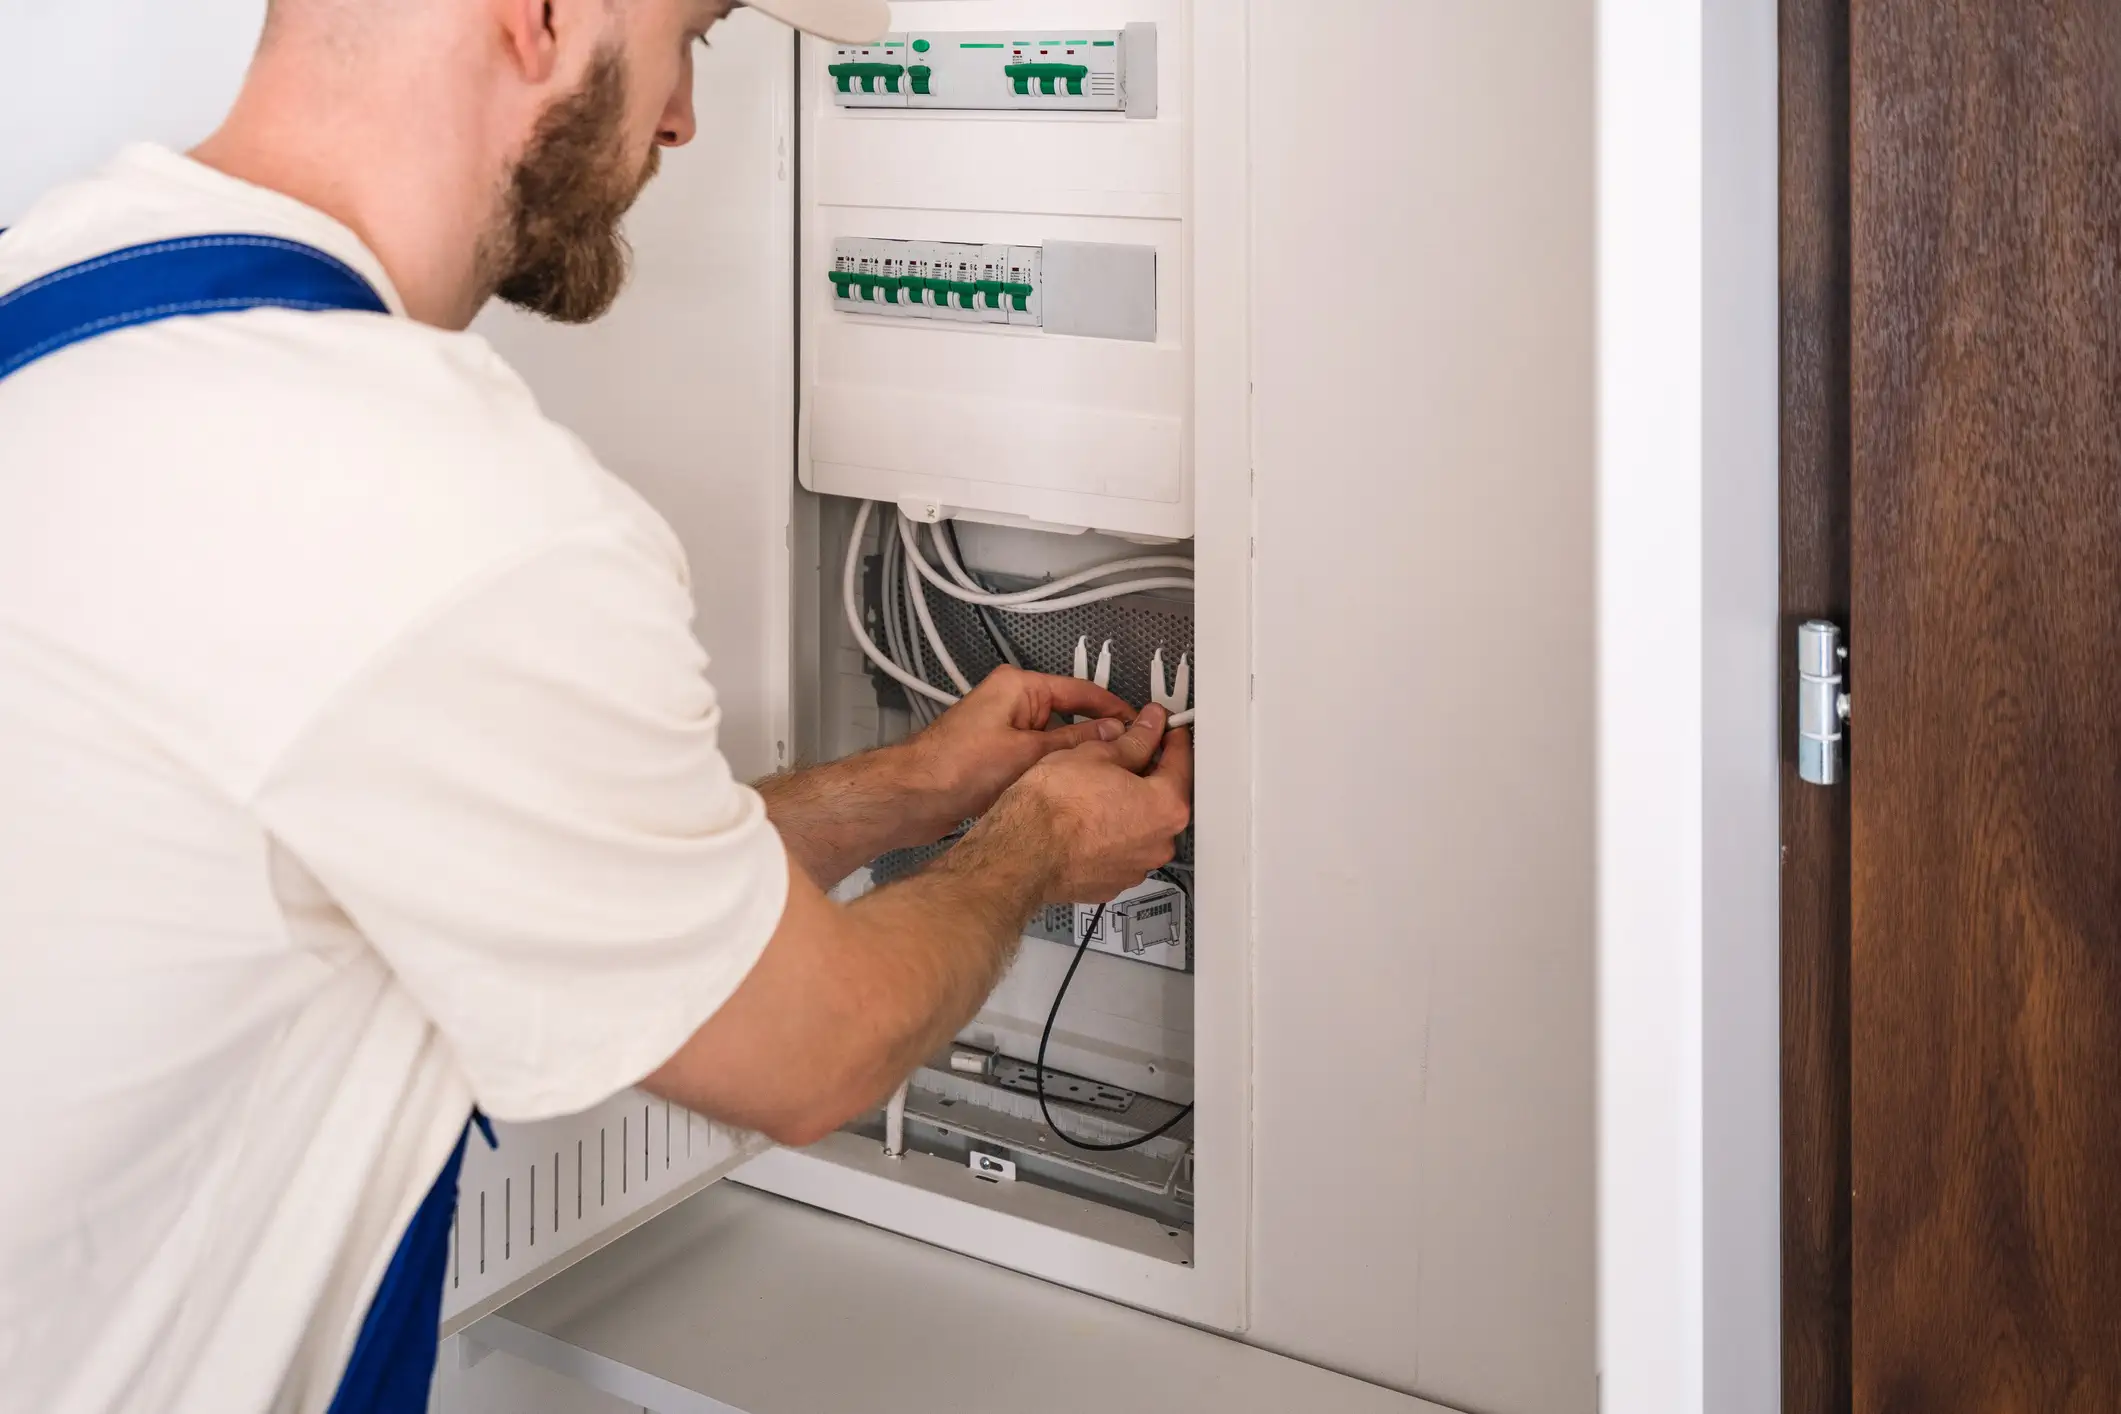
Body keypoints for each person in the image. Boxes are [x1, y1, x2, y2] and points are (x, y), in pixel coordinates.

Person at [0, 1, 1194, 1410]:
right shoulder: (456, 515)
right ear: (543, 15)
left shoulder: (61, 285)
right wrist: (1041, 844)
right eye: (693, 33)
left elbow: (498, 837)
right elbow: (819, 1050)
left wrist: (917, 789)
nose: (686, 114)